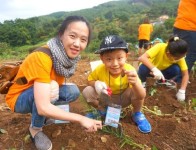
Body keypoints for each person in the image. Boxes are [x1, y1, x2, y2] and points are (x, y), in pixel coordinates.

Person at [5, 16, 102, 150]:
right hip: (19, 98)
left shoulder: (66, 58)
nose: (77, 44)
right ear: (61, 35)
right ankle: (35, 130)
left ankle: (44, 117)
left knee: (73, 91)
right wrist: (80, 118)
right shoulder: (42, 57)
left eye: (83, 40)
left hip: (40, 90)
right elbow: (43, 106)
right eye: (72, 36)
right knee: (50, 91)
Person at [82, 35, 151, 134]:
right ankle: (103, 111)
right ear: (102, 59)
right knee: (87, 91)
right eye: (109, 59)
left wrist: (135, 83)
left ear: (126, 57)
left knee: (135, 90)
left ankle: (137, 113)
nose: (115, 64)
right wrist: (96, 83)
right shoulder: (100, 69)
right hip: (106, 99)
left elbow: (141, 96)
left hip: (124, 99)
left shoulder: (130, 71)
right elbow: (89, 80)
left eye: (119, 58)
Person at [138, 35, 189, 101]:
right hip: (148, 70)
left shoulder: (179, 57)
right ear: (169, 53)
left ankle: (160, 81)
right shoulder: (160, 47)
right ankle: (143, 82)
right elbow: (142, 58)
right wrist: (154, 69)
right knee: (143, 68)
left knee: (176, 69)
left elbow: (185, 74)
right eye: (178, 58)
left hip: (160, 74)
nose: (180, 59)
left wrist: (182, 90)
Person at [173, 0, 196, 73]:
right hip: (189, 27)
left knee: (178, 53)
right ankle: (180, 79)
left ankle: (173, 77)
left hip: (181, 25)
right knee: (190, 54)